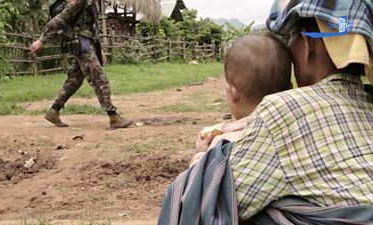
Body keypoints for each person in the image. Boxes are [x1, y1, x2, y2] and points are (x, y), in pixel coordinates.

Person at [159, 0, 373, 224]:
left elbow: (207, 200)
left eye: (291, 38)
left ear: (309, 44)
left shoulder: (281, 109)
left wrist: (207, 158)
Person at [189, 33, 293, 167]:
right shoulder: (294, 130)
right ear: (289, 90)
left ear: (232, 93)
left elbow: (201, 183)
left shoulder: (223, 144)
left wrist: (201, 156)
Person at [29, 0, 133, 129]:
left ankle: (53, 111)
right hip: (81, 44)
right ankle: (113, 116)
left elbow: (92, 27)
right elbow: (60, 19)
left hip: (86, 43)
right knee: (99, 78)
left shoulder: (91, 3)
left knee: (75, 79)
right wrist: (41, 40)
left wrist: (99, 51)